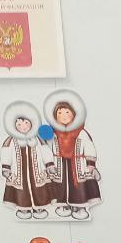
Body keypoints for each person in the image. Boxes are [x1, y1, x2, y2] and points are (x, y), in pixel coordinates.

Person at [43, 90, 101, 220]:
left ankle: (80, 207)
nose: (63, 116)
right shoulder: (54, 133)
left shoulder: (81, 132)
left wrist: (91, 164)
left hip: (77, 165)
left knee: (79, 187)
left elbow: (89, 147)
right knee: (60, 186)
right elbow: (46, 146)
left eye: (67, 112)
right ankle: (63, 205)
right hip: (60, 164)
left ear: (74, 114)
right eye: (59, 113)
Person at [0, 100, 54, 218]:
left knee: (39, 189)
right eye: (19, 124)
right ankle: (24, 209)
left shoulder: (37, 139)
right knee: (21, 190)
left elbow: (45, 150)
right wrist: (6, 167)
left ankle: (39, 208)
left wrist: (49, 164)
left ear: (32, 123)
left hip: (36, 172)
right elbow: (6, 153)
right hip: (19, 173)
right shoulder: (11, 140)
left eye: (25, 123)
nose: (23, 126)